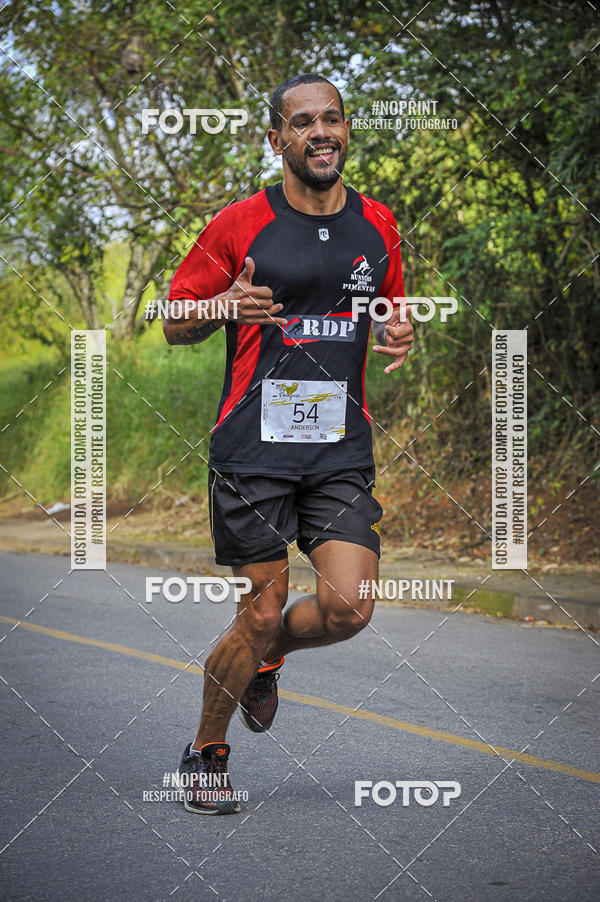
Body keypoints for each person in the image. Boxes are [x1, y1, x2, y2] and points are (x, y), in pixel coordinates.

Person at [164, 73, 414, 814]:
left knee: (349, 608)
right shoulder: (239, 223)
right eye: (302, 123)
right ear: (277, 140)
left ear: (346, 129)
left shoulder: (378, 224)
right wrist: (220, 304)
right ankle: (205, 753)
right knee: (261, 611)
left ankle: (267, 662)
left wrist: (401, 327)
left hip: (339, 447)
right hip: (254, 452)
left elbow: (392, 311)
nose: (320, 133)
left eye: (331, 119)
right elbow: (175, 319)